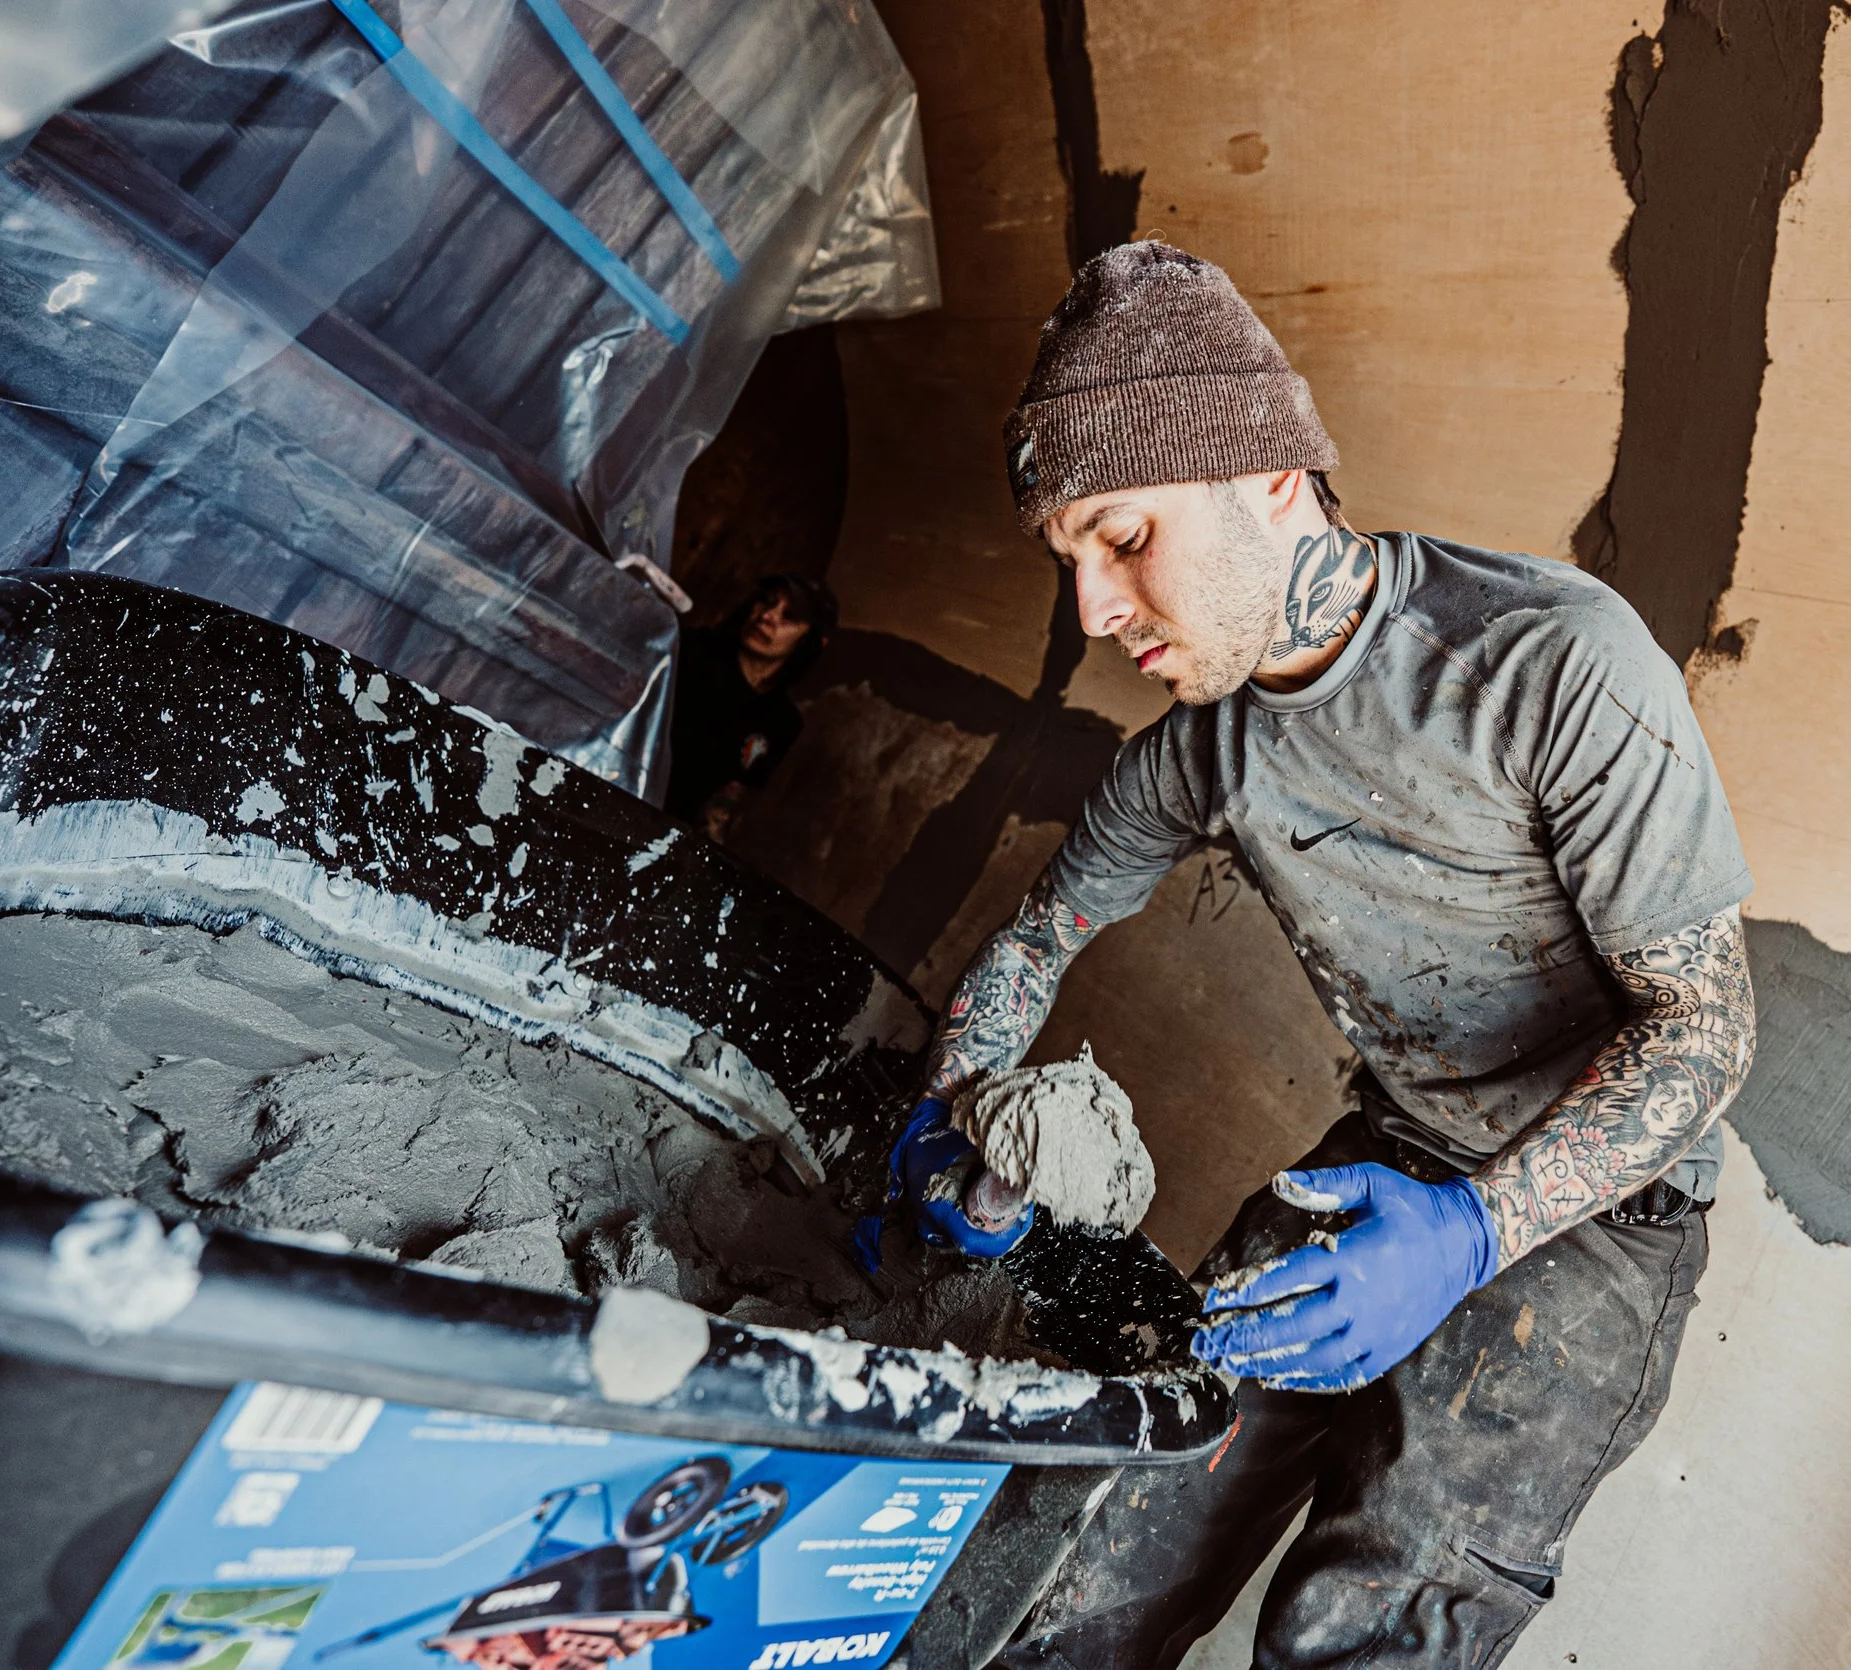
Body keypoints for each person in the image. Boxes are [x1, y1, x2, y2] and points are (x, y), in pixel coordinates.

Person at [888, 243, 1757, 1668]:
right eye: (1072, 564)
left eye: (1122, 536)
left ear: (1271, 477)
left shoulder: (1555, 664)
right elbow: (1044, 933)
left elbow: (1708, 1029)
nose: (1098, 611)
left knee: (1364, 1624)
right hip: (1388, 1153)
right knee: (1098, 1531)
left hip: (1598, 1218)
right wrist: (955, 1112)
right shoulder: (1200, 745)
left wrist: (1476, 1233)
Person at [662, 573, 833, 840]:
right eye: (767, 602)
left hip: (664, 831)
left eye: (789, 616)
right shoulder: (687, 651)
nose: (767, 616)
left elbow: (725, 801)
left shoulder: (782, 722)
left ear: (813, 641)